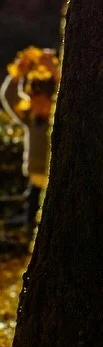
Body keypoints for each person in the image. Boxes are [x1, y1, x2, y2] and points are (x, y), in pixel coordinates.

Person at [2, 46, 57, 236]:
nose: (34, 101)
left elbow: (62, 86)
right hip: (35, 179)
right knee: (32, 218)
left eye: (39, 98)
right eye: (32, 97)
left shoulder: (58, 114)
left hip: (56, 179)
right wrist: (19, 71)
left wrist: (52, 68)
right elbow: (9, 96)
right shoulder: (31, 117)